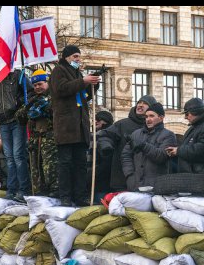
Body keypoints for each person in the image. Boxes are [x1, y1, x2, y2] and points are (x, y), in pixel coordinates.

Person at [48, 45, 100, 207]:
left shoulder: (77, 73)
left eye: (79, 57)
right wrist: (83, 81)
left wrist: (93, 86)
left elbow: (84, 97)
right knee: (65, 163)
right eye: (75, 56)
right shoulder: (59, 71)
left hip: (79, 128)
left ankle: (80, 196)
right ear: (67, 57)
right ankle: (65, 196)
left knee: (80, 165)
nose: (78, 60)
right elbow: (61, 89)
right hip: (66, 127)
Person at [0, 56, 32, 201]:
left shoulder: (17, 75)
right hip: (3, 122)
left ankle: (23, 189)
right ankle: (11, 189)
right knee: (9, 158)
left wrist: (18, 106)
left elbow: (29, 93)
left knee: (18, 156)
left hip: (17, 120)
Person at [96, 95, 155, 194]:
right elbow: (105, 135)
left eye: (145, 104)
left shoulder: (154, 127)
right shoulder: (122, 124)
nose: (140, 105)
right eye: (139, 103)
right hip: (121, 178)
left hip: (146, 181)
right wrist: (106, 145)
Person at [17, 69, 58, 197]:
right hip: (35, 141)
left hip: (50, 139)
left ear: (47, 83)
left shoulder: (55, 96)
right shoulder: (32, 99)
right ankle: (39, 193)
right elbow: (19, 117)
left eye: (40, 84)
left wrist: (47, 107)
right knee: (36, 170)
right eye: (35, 85)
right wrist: (29, 106)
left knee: (50, 167)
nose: (37, 87)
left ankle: (54, 191)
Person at [121, 103, 177, 191]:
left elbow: (161, 156)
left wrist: (143, 145)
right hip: (135, 185)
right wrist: (130, 175)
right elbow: (126, 155)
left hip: (156, 187)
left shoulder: (169, 135)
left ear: (161, 118)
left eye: (151, 116)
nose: (148, 119)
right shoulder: (136, 134)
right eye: (146, 117)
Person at [166, 97, 204, 175]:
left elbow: (202, 150)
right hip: (193, 176)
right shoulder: (195, 126)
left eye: (187, 114)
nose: (185, 117)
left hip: (203, 178)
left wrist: (178, 151)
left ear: (196, 111)